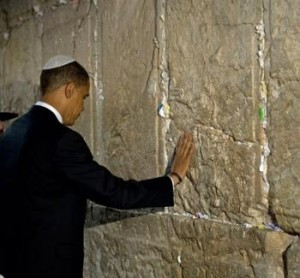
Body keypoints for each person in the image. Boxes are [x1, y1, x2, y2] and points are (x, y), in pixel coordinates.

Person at [0, 55, 195, 278]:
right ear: (69, 89)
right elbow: (114, 192)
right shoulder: (63, 140)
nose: (82, 107)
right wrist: (173, 178)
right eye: (83, 97)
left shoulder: (13, 131)